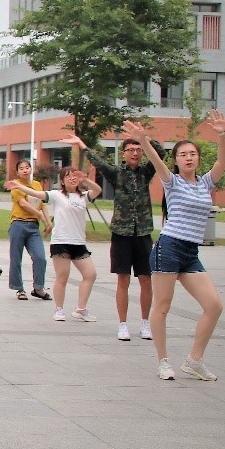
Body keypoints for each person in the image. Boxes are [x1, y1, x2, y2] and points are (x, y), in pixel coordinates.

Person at [123, 112, 225, 381]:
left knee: (214, 306)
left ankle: (194, 360)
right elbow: (156, 161)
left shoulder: (205, 183)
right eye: (183, 154)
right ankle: (163, 362)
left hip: (191, 253)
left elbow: (223, 160)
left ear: (198, 158)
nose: (188, 158)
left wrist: (222, 134)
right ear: (176, 160)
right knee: (162, 306)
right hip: (169, 248)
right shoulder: (172, 181)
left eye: (193, 154)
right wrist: (143, 141)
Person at [63, 133, 163, 341]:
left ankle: (145, 323)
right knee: (123, 279)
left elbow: (160, 153)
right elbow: (98, 162)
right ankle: (123, 324)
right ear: (123, 153)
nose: (135, 153)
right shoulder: (117, 173)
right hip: (121, 234)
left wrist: (144, 137)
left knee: (146, 279)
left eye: (139, 150)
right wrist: (82, 145)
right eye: (131, 150)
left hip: (143, 232)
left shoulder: (146, 172)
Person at [10, 166, 103, 321]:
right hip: (61, 242)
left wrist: (85, 180)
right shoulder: (57, 195)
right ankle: (59, 310)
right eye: (68, 176)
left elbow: (98, 190)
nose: (72, 178)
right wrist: (19, 186)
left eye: (74, 175)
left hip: (79, 243)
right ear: (62, 181)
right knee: (62, 277)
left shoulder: (84, 196)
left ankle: (81, 309)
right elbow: (37, 194)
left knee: (90, 274)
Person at [7, 159, 52, 302]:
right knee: (16, 258)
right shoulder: (15, 185)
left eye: (27, 167)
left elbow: (43, 204)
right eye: (21, 168)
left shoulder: (37, 185)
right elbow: (23, 204)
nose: (25, 170)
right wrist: (39, 215)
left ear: (31, 169)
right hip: (18, 224)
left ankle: (38, 288)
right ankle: (19, 288)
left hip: (33, 227)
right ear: (17, 172)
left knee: (40, 257)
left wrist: (48, 222)